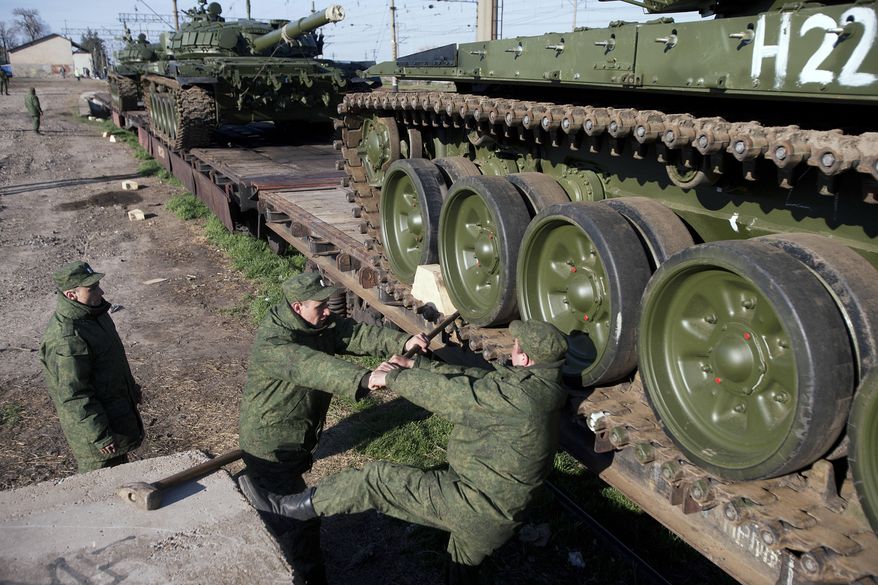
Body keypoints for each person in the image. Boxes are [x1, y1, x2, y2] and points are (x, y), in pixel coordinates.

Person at [240, 319, 569, 585]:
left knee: (376, 481)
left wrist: (394, 379)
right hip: (493, 507)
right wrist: (414, 364)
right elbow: (473, 380)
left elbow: (452, 396)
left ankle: (287, 509)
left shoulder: (518, 400)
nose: (512, 349)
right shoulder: (539, 386)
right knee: (463, 566)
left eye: (516, 345)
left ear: (525, 357)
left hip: (474, 504)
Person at [238, 271, 429, 585]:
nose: (328, 311)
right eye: (320, 306)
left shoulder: (316, 324)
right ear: (297, 307)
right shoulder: (275, 343)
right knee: (298, 521)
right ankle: (308, 576)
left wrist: (402, 341)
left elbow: (354, 334)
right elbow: (315, 367)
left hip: (295, 437)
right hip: (271, 445)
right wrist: (365, 378)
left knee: (280, 511)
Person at [39, 261, 144, 473]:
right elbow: (73, 395)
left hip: (112, 418)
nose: (101, 291)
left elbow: (108, 364)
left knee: (121, 475)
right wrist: (100, 436)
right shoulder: (68, 338)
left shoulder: (94, 314)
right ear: (72, 295)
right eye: (92, 288)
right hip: (95, 438)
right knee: (103, 483)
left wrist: (130, 392)